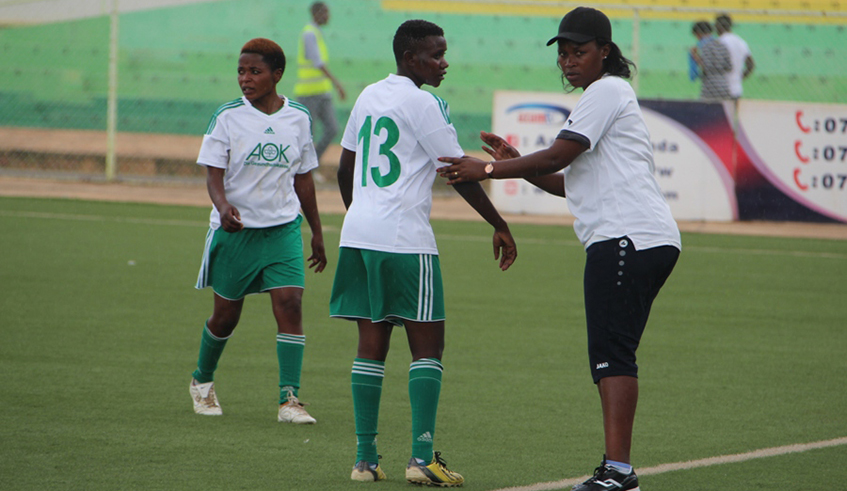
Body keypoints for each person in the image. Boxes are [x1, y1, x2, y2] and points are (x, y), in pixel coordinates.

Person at [436, 7, 680, 491]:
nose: (569, 60)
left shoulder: (606, 90)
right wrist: (514, 164)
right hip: (640, 237)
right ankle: (618, 468)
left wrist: (482, 170)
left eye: (579, 51)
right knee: (614, 350)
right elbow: (570, 182)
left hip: (625, 238)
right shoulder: (607, 94)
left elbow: (558, 154)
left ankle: (619, 471)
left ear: (605, 52)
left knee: (612, 353)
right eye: (564, 53)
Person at [329, 19, 517, 487]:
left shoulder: (370, 94)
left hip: (358, 234)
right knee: (427, 345)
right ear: (411, 58)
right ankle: (420, 458)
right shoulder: (424, 102)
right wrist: (499, 224)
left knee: (371, 345)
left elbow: (345, 167)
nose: (444, 62)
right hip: (405, 239)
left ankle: (364, 461)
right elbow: (459, 171)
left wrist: (364, 214)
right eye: (436, 55)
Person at [189, 38, 327, 426]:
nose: (245, 79)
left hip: (283, 229)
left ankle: (290, 400)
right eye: (241, 71)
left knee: (290, 304)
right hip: (236, 232)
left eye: (255, 71)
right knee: (225, 317)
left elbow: (304, 178)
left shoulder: (298, 117)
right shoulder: (227, 117)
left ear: (277, 75)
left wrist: (316, 231)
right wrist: (223, 206)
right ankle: (202, 381)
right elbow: (213, 174)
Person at [294, 1, 346, 164]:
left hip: (322, 92)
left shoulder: (316, 33)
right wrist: (337, 84)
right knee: (308, 134)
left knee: (332, 128)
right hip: (308, 92)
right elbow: (318, 63)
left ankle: (312, 164)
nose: (328, 16)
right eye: (325, 13)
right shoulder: (309, 33)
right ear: (317, 14)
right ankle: (302, 169)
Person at [689, 20, 732, 100]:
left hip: (710, 87)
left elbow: (706, 67)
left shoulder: (704, 46)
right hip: (725, 86)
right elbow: (729, 67)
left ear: (698, 34)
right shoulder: (722, 44)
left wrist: (695, 57)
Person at [715, 13, 755, 99]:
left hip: (721, 88)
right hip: (736, 89)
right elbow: (750, 65)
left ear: (718, 26)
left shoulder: (719, 42)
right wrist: (738, 78)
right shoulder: (741, 41)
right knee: (732, 112)